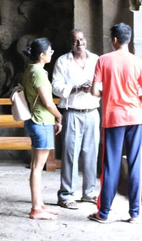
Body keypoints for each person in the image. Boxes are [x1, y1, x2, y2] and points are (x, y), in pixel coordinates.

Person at [89, 23, 142, 224]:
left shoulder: (103, 60)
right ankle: (134, 214)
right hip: (135, 118)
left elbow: (94, 91)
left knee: (110, 165)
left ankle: (104, 213)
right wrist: (131, 100)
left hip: (113, 118)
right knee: (135, 164)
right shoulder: (139, 62)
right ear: (128, 39)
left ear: (114, 40)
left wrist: (110, 94)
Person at [51, 29, 100, 209]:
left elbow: (103, 81)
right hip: (72, 112)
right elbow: (55, 86)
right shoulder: (63, 61)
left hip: (92, 111)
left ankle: (89, 193)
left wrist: (93, 87)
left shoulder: (95, 59)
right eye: (75, 41)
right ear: (69, 43)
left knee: (91, 154)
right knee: (70, 154)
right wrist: (76, 88)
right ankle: (66, 195)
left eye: (81, 39)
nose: (79, 43)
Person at [21, 38, 63, 220]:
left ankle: (39, 204)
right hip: (41, 121)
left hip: (35, 120)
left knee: (36, 165)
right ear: (41, 55)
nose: (51, 54)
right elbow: (47, 102)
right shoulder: (38, 72)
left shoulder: (31, 70)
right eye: (50, 51)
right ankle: (36, 208)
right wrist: (59, 115)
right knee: (38, 167)